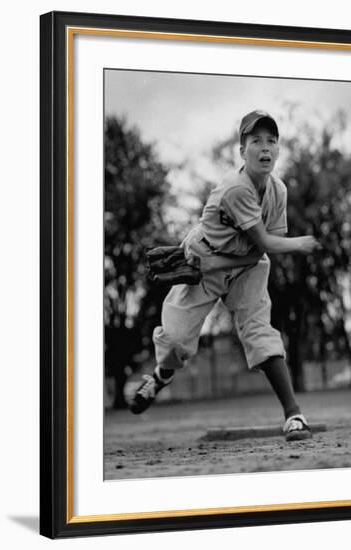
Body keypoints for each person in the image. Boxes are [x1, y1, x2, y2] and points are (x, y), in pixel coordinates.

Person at [129, 110, 320, 441]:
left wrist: (234, 261)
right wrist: (298, 244)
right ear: (241, 150)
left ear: (278, 149)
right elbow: (266, 241)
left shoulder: (278, 191)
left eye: (272, 141)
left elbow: (261, 250)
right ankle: (161, 375)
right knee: (175, 341)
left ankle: (293, 415)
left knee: (260, 331)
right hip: (201, 260)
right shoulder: (235, 189)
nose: (265, 148)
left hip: (245, 266)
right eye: (255, 140)